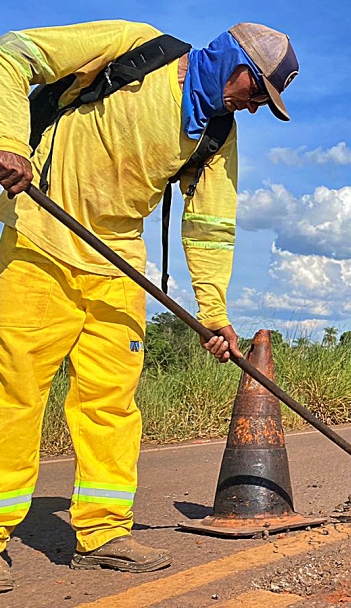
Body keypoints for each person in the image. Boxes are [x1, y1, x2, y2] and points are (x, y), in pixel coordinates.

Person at [0, 20, 298, 589]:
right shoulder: (137, 48)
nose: (257, 108)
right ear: (235, 64)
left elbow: (210, 227)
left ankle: (104, 531)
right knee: (15, 394)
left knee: (111, 402)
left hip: (117, 265)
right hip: (41, 235)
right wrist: (10, 139)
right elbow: (11, 56)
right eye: (259, 92)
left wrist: (214, 314)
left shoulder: (217, 133)